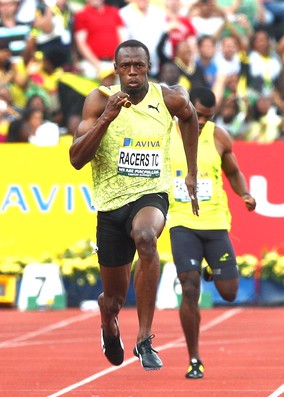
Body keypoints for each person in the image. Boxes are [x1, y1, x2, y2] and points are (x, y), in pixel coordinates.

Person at [69, 39, 199, 370]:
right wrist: (107, 119)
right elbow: (76, 159)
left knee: (146, 236)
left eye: (138, 66)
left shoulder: (169, 97)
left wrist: (192, 172)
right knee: (113, 299)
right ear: (115, 69)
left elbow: (189, 116)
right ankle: (108, 320)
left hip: (151, 193)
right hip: (111, 204)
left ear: (148, 67)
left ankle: (144, 338)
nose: (131, 72)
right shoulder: (99, 100)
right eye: (125, 66)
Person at [168, 86, 256, 379]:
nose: (202, 121)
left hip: (215, 222)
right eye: (198, 115)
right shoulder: (166, 132)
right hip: (182, 222)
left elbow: (233, 171)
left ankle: (211, 272)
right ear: (186, 107)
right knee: (189, 288)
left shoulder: (219, 136)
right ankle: (194, 358)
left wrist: (244, 193)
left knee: (229, 293)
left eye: (208, 116)